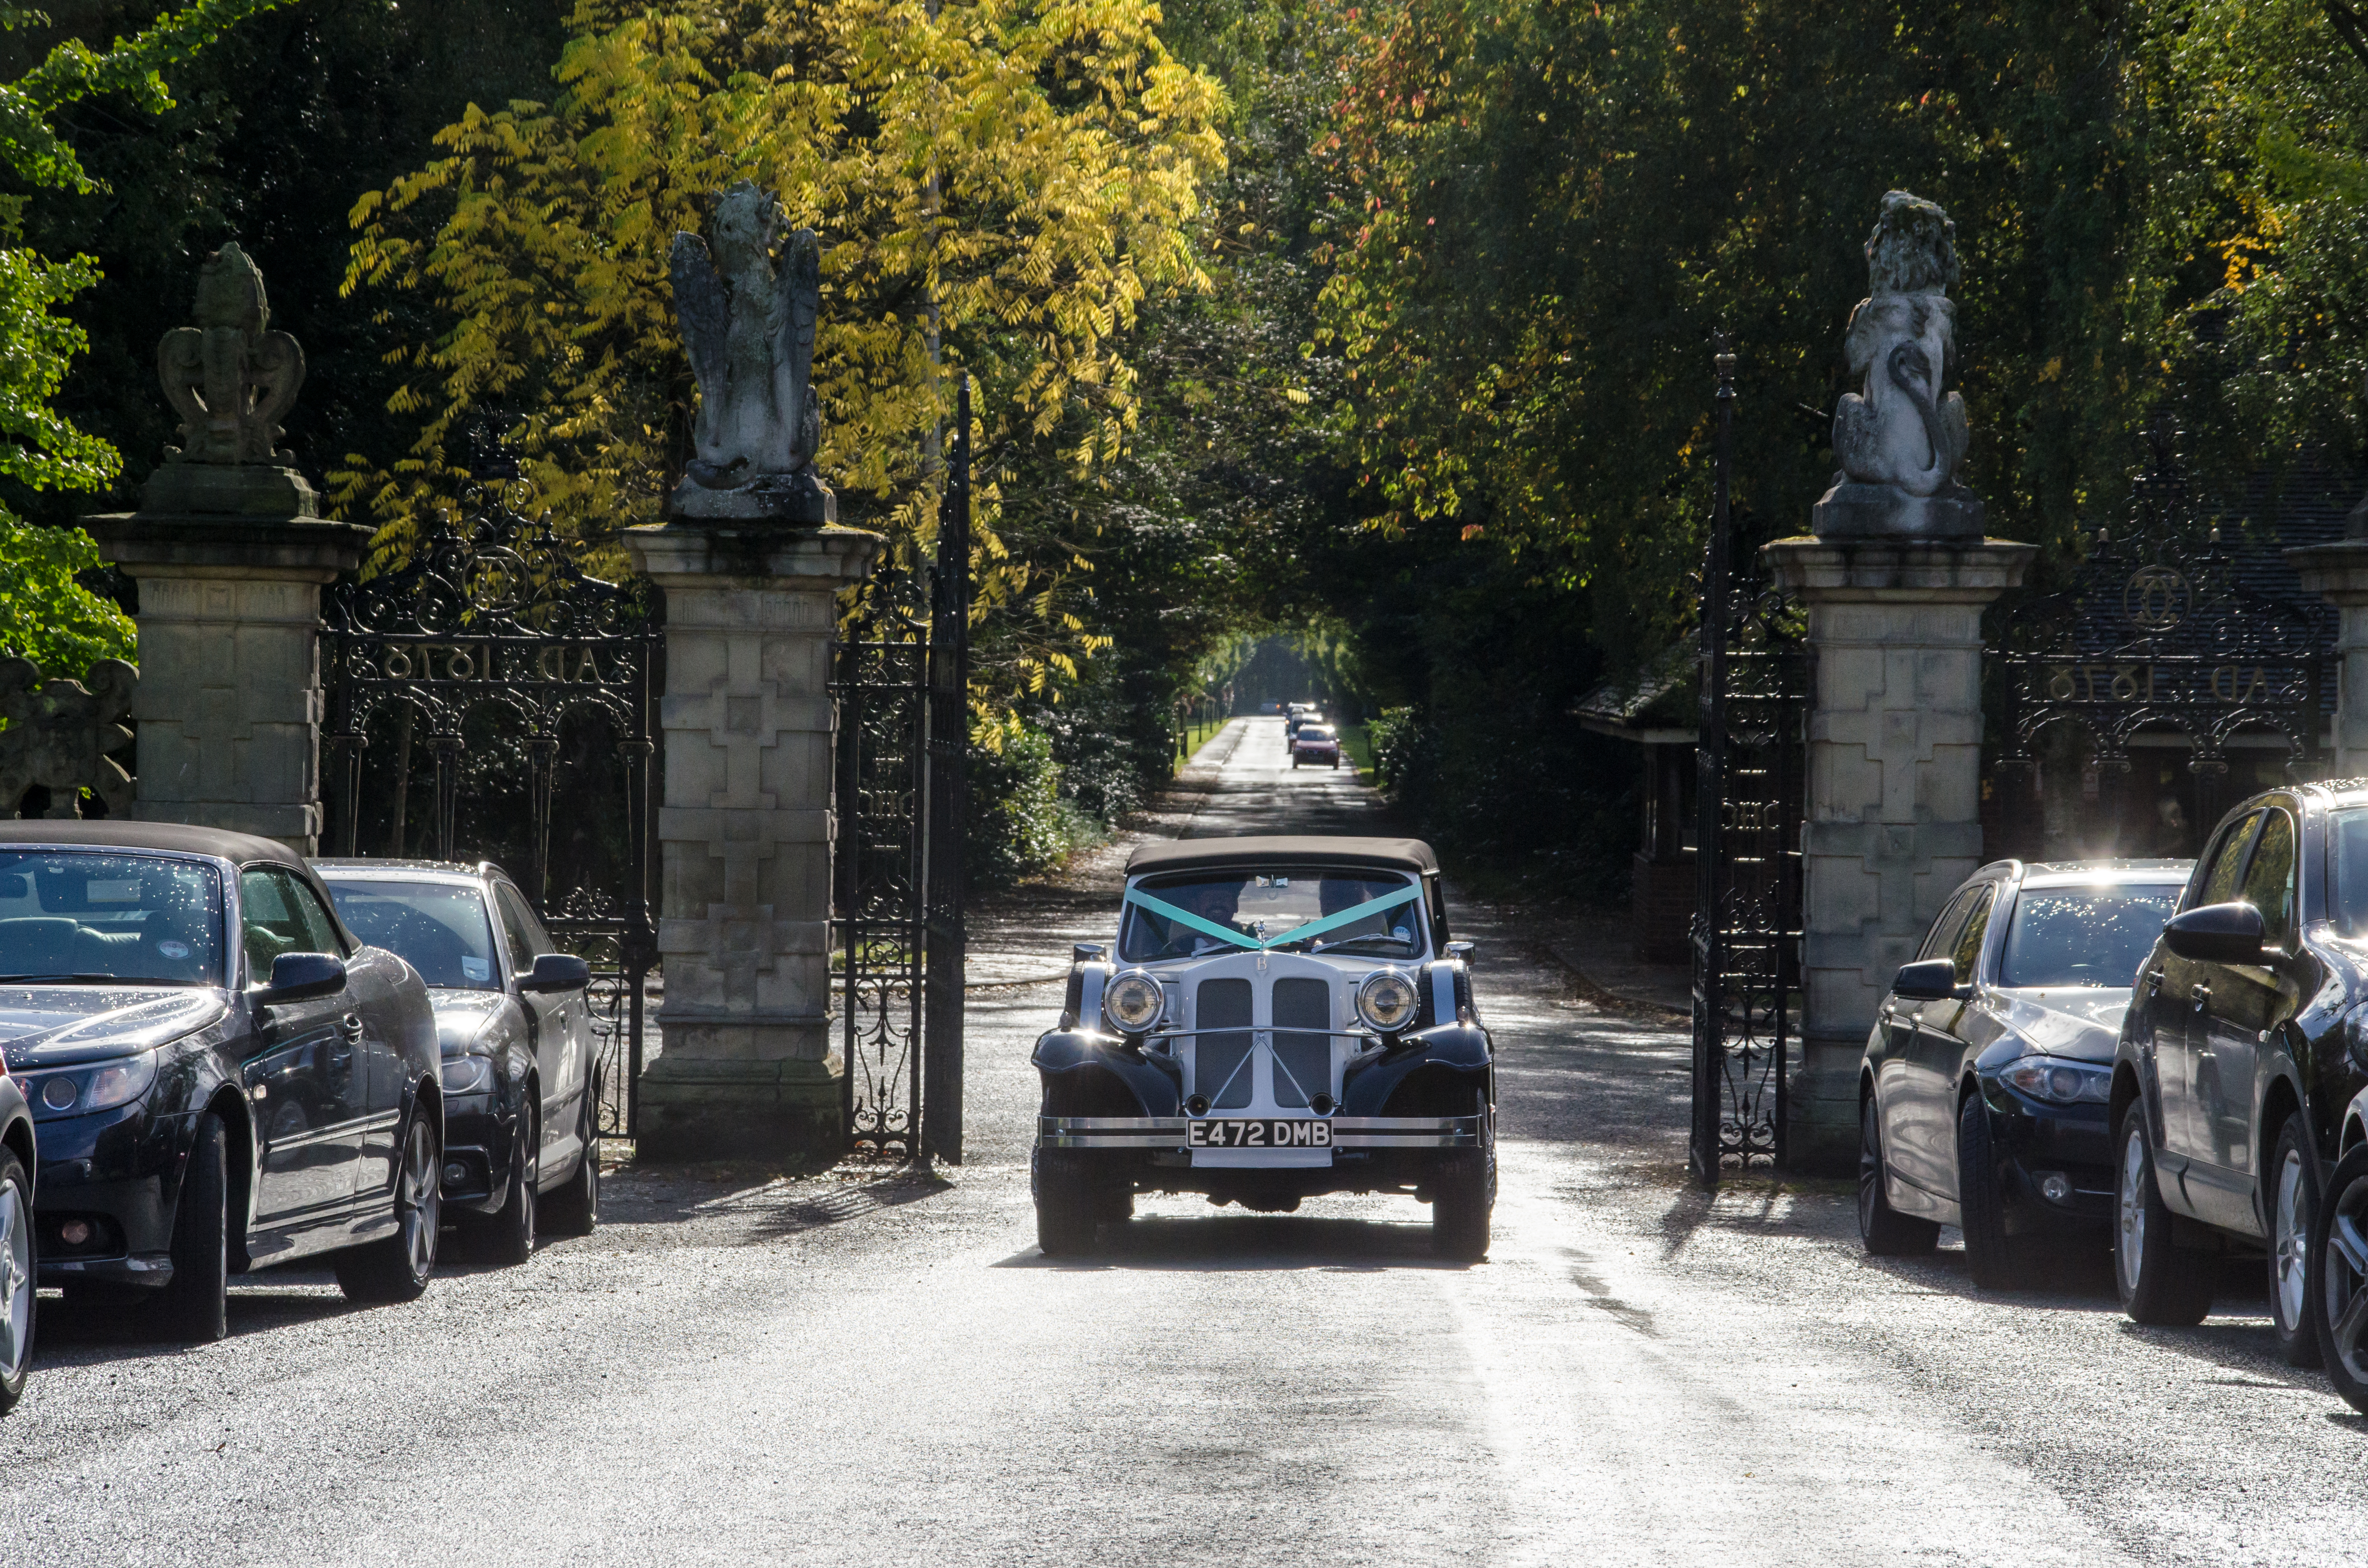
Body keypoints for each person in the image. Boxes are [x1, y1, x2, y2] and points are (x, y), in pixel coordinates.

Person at [1146, 879, 1251, 957]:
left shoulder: (1252, 947)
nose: (1218, 902)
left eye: (1225, 898)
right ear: (1195, 906)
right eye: (1210, 898)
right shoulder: (1174, 951)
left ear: (1235, 905)